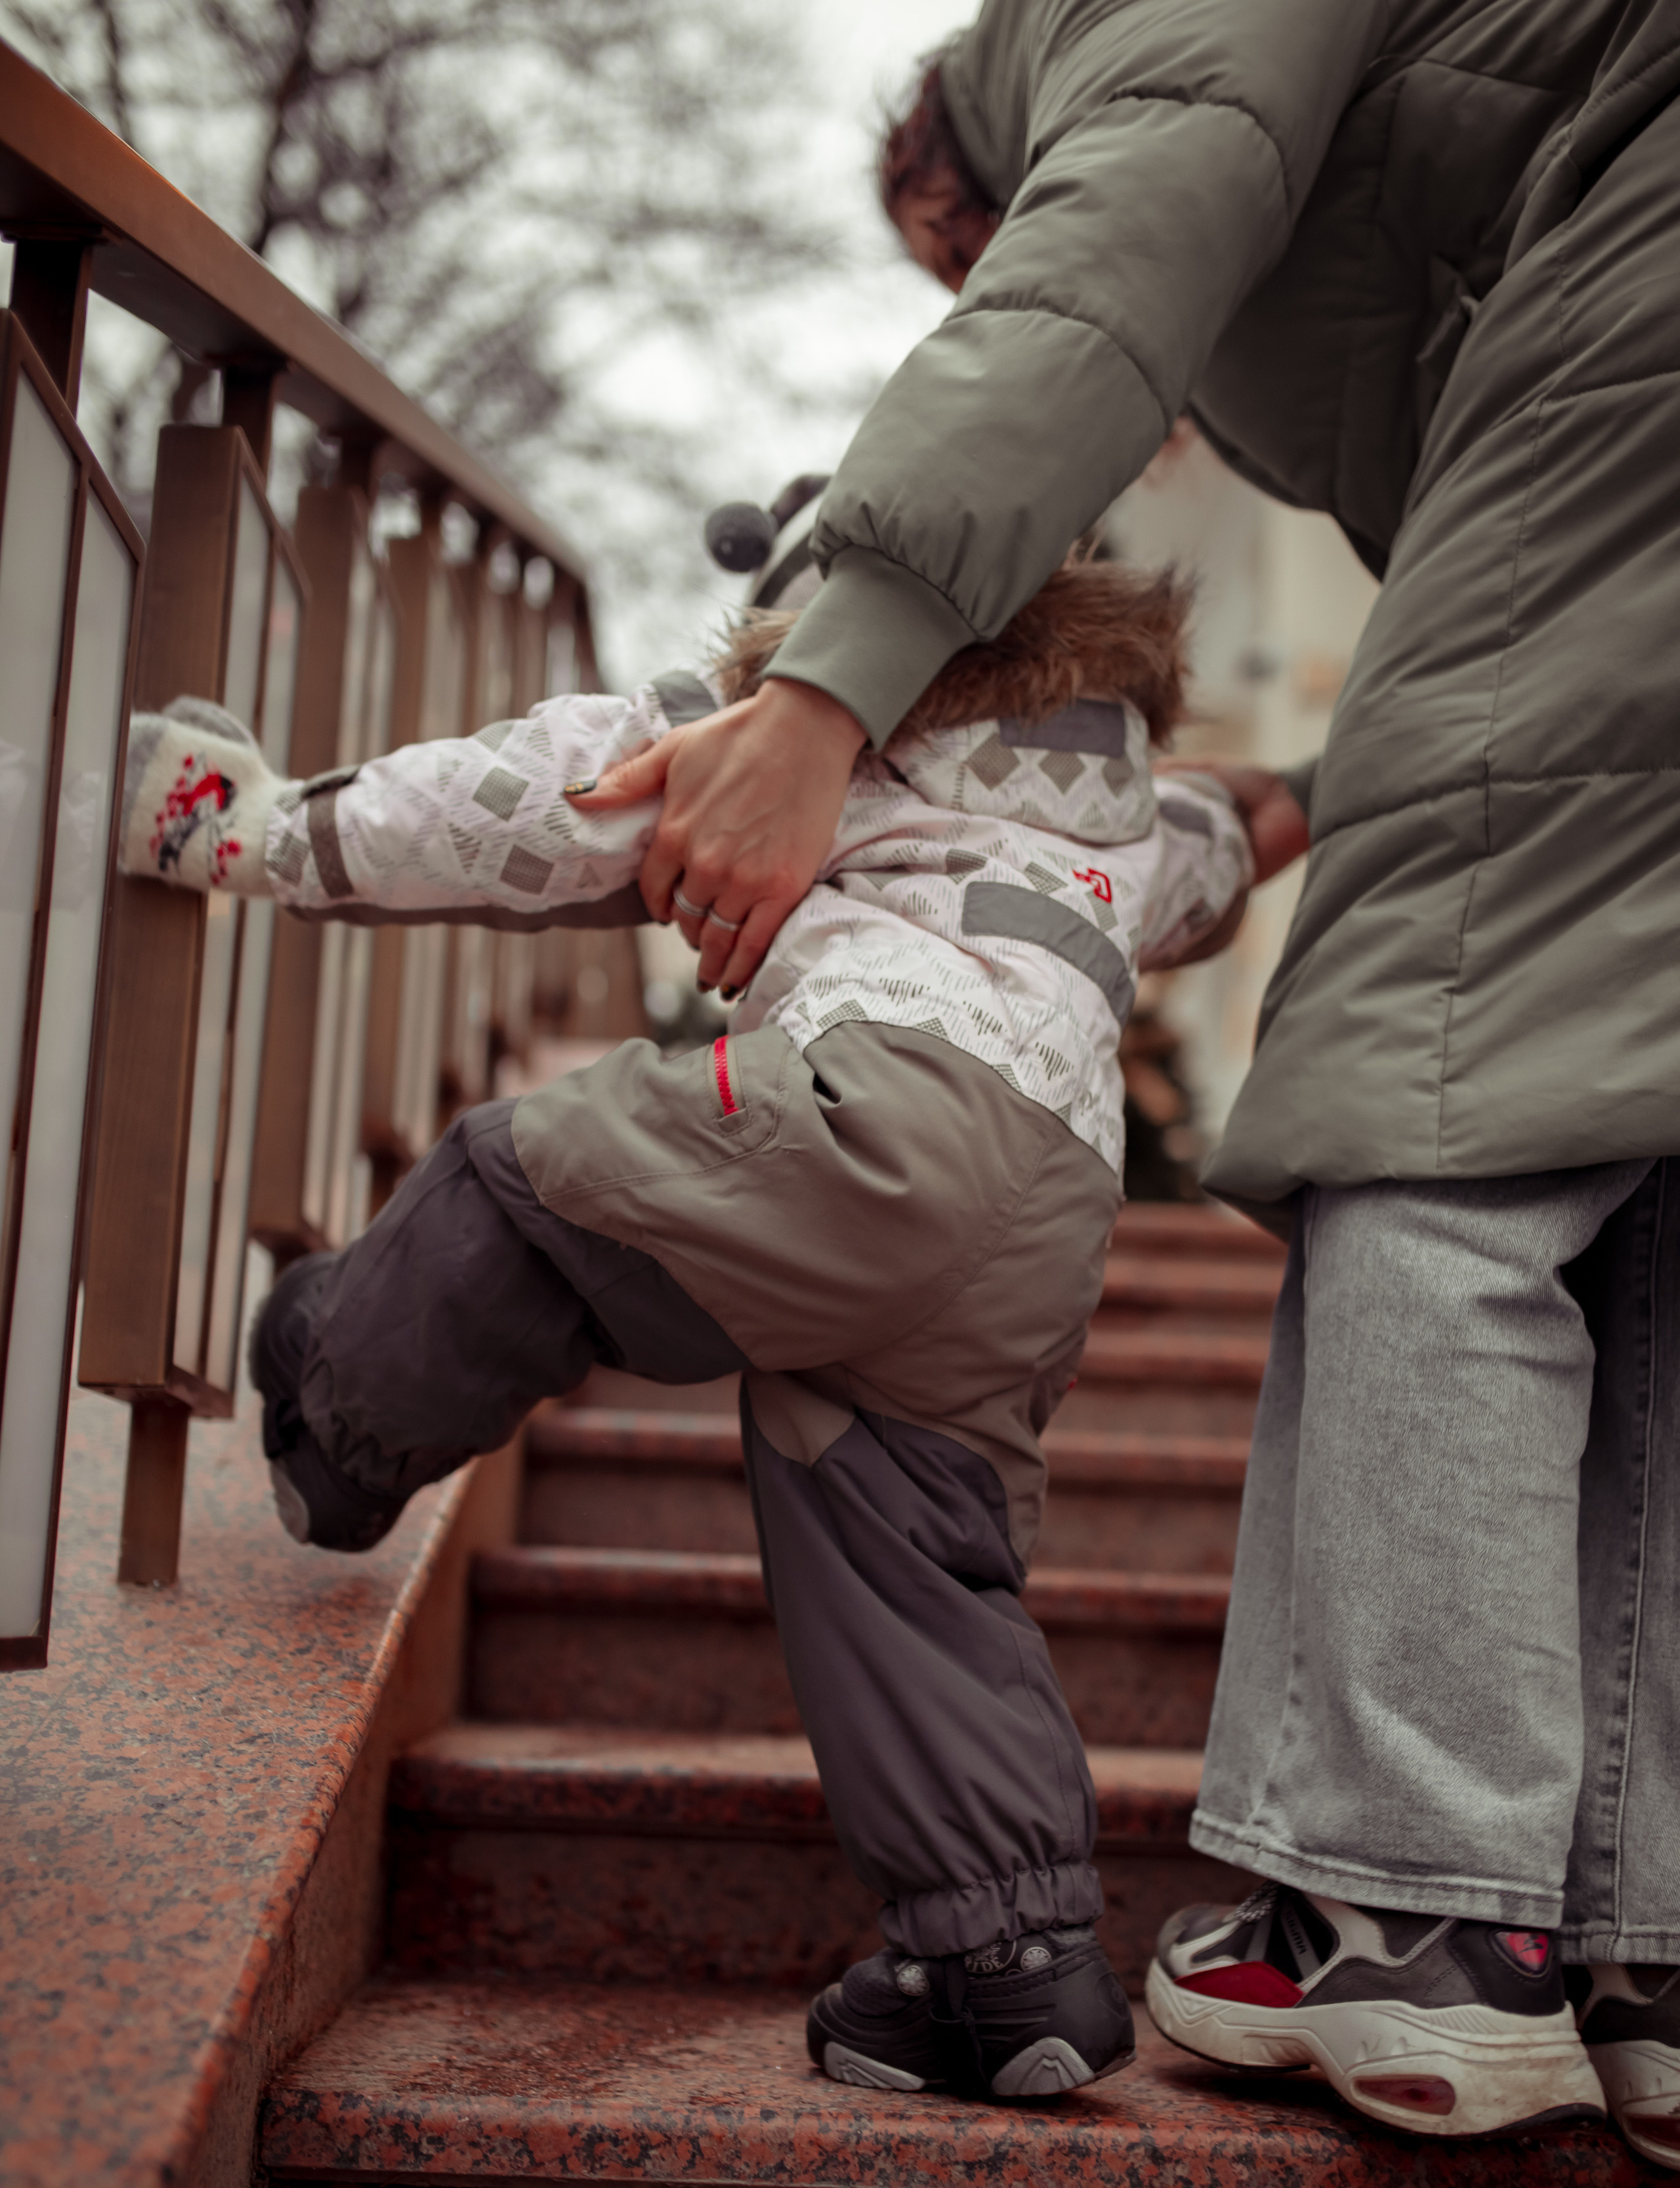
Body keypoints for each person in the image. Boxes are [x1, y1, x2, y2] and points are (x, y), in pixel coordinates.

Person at [581, 0, 1680, 2166]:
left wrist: (826, 691)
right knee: (1627, 1138)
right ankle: (1638, 1930)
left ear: (966, 187)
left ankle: (1427, 1915)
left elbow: (1125, 247)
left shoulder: (1122, 34)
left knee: (1435, 1100)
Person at [119, 543, 1289, 2105]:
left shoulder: (799, 724)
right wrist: (1356, 775)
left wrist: (259, 834)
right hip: (1046, 1209)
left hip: (873, 1099)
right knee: (910, 1555)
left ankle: (337, 1418)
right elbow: (1251, 826)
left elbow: (523, 808)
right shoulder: (1139, 806)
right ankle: (1004, 1970)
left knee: (529, 1174)